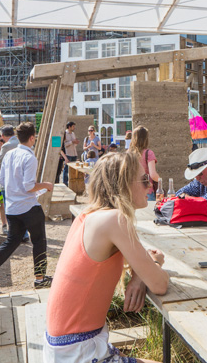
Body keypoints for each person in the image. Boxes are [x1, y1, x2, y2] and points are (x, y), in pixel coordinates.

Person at [44, 152, 168, 363]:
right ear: (125, 184)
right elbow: (159, 284)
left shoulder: (88, 215)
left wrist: (140, 275)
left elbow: (138, 264)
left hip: (63, 346)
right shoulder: (115, 219)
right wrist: (153, 264)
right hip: (79, 351)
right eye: (144, 180)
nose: (150, 186)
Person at [0, 122, 54, 294]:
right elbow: (29, 186)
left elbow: (1, 184)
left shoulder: (9, 154)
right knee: (39, 242)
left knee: (10, 243)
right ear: (32, 138)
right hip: (29, 207)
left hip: (12, 208)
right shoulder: (29, 157)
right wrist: (46, 185)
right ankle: (40, 278)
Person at [129, 126, 160, 200]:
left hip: (131, 191)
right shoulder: (148, 153)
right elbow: (153, 175)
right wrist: (160, 180)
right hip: (147, 191)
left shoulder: (128, 154)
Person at [61, 122, 78, 186]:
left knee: (73, 169)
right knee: (66, 169)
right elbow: (64, 144)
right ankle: (65, 183)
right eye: (73, 126)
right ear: (69, 127)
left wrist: (75, 142)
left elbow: (74, 144)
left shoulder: (73, 134)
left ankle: (72, 183)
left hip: (74, 153)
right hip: (68, 154)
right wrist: (72, 142)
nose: (74, 128)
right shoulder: (65, 134)